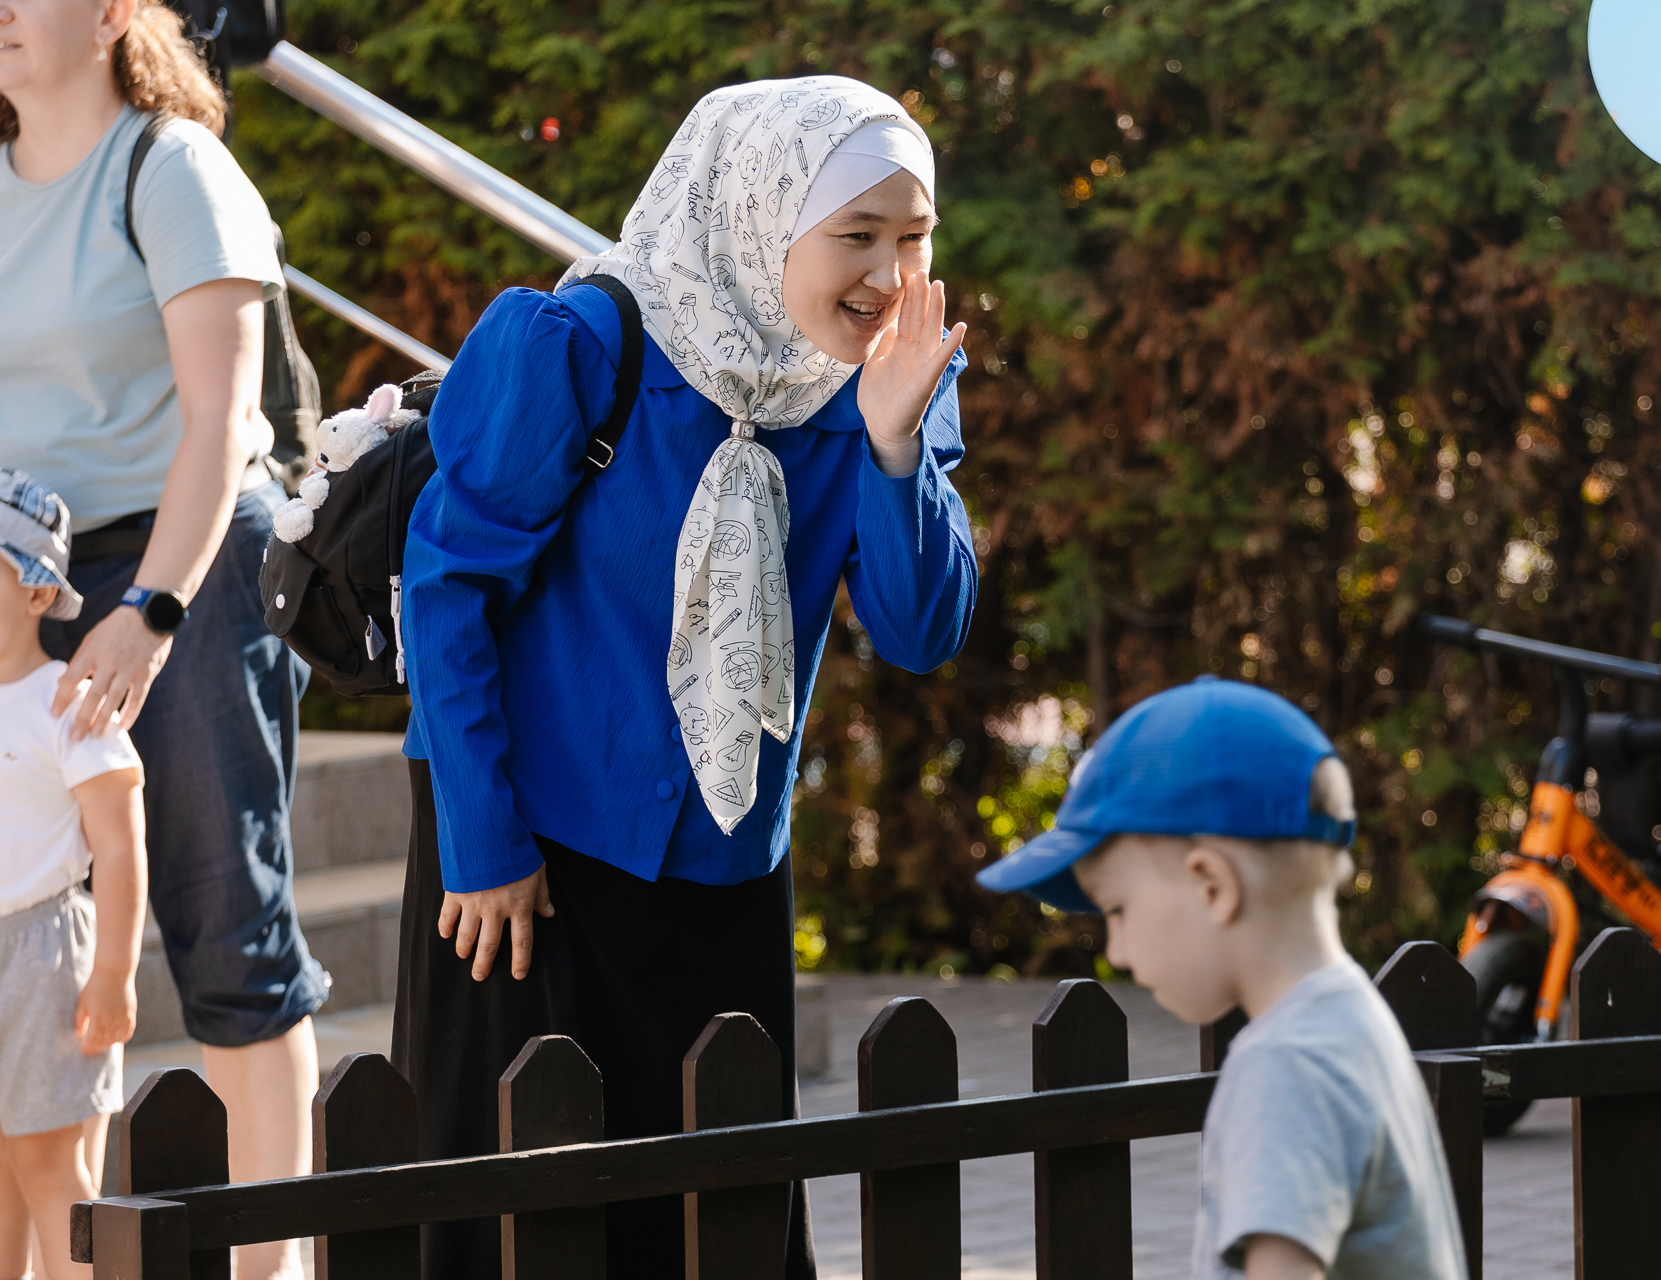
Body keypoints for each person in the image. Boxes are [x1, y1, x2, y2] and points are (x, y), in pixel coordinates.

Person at [396, 75, 974, 1276]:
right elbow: (446, 586)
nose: (889, 272)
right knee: (524, 1229)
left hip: (725, 859)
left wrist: (892, 444)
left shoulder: (887, 380)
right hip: (533, 856)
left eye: (914, 238)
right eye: (858, 234)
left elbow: (919, 631)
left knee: (720, 1227)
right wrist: (483, 842)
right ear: (763, 215)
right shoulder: (586, 343)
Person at [0, 4, 324, 1277]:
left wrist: (153, 611)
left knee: (225, 922)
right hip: (26, 575)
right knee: (26, 935)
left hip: (187, 566)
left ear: (111, 14)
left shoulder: (173, 167)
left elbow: (221, 418)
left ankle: (271, 1264)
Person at [977, 678, 1469, 1280]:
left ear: (1212, 886)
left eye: (1117, 910)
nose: (1117, 952)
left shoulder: (1284, 1063)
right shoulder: (1353, 1022)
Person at [0, 472, 145, 1280]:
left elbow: (120, 845)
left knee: (50, 1163)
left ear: (33, 590)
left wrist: (114, 974)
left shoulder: (67, 704)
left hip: (44, 955)